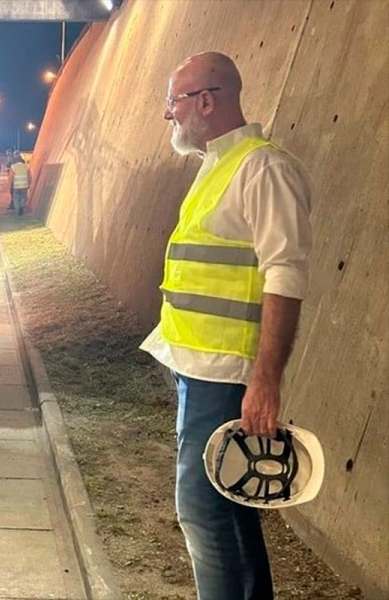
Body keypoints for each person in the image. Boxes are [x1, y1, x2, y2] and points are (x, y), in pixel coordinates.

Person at [140, 52, 313, 600]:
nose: (168, 114)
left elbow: (285, 275)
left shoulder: (263, 169)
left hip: (227, 376)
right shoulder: (217, 164)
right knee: (227, 509)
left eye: (174, 100)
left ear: (206, 101)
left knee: (202, 514)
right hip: (198, 368)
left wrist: (265, 381)